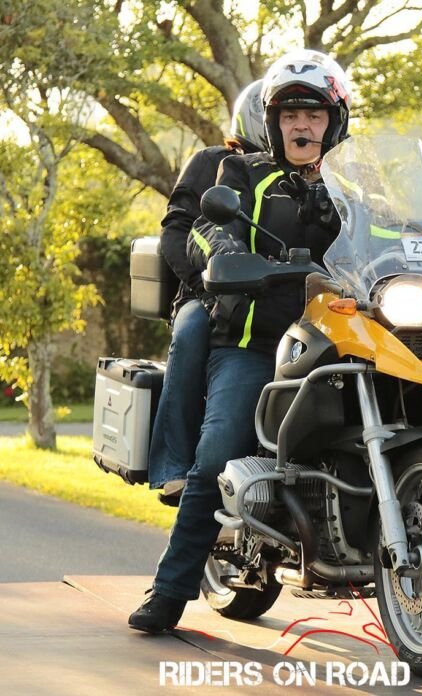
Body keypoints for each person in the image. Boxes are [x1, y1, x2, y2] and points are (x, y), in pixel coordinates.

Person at [128, 49, 352, 632]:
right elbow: (203, 228)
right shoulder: (241, 173)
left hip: (344, 343)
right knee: (215, 456)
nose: (302, 126)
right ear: (273, 123)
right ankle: (170, 590)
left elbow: (395, 232)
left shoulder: (354, 185)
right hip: (256, 340)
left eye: (314, 115)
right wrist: (226, 253)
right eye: (290, 116)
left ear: (335, 121)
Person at [147, 80, 267, 505]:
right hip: (207, 291)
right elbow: (176, 233)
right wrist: (209, 288)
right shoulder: (213, 162)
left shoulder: (315, 174)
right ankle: (175, 465)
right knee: (192, 329)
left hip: (282, 296)